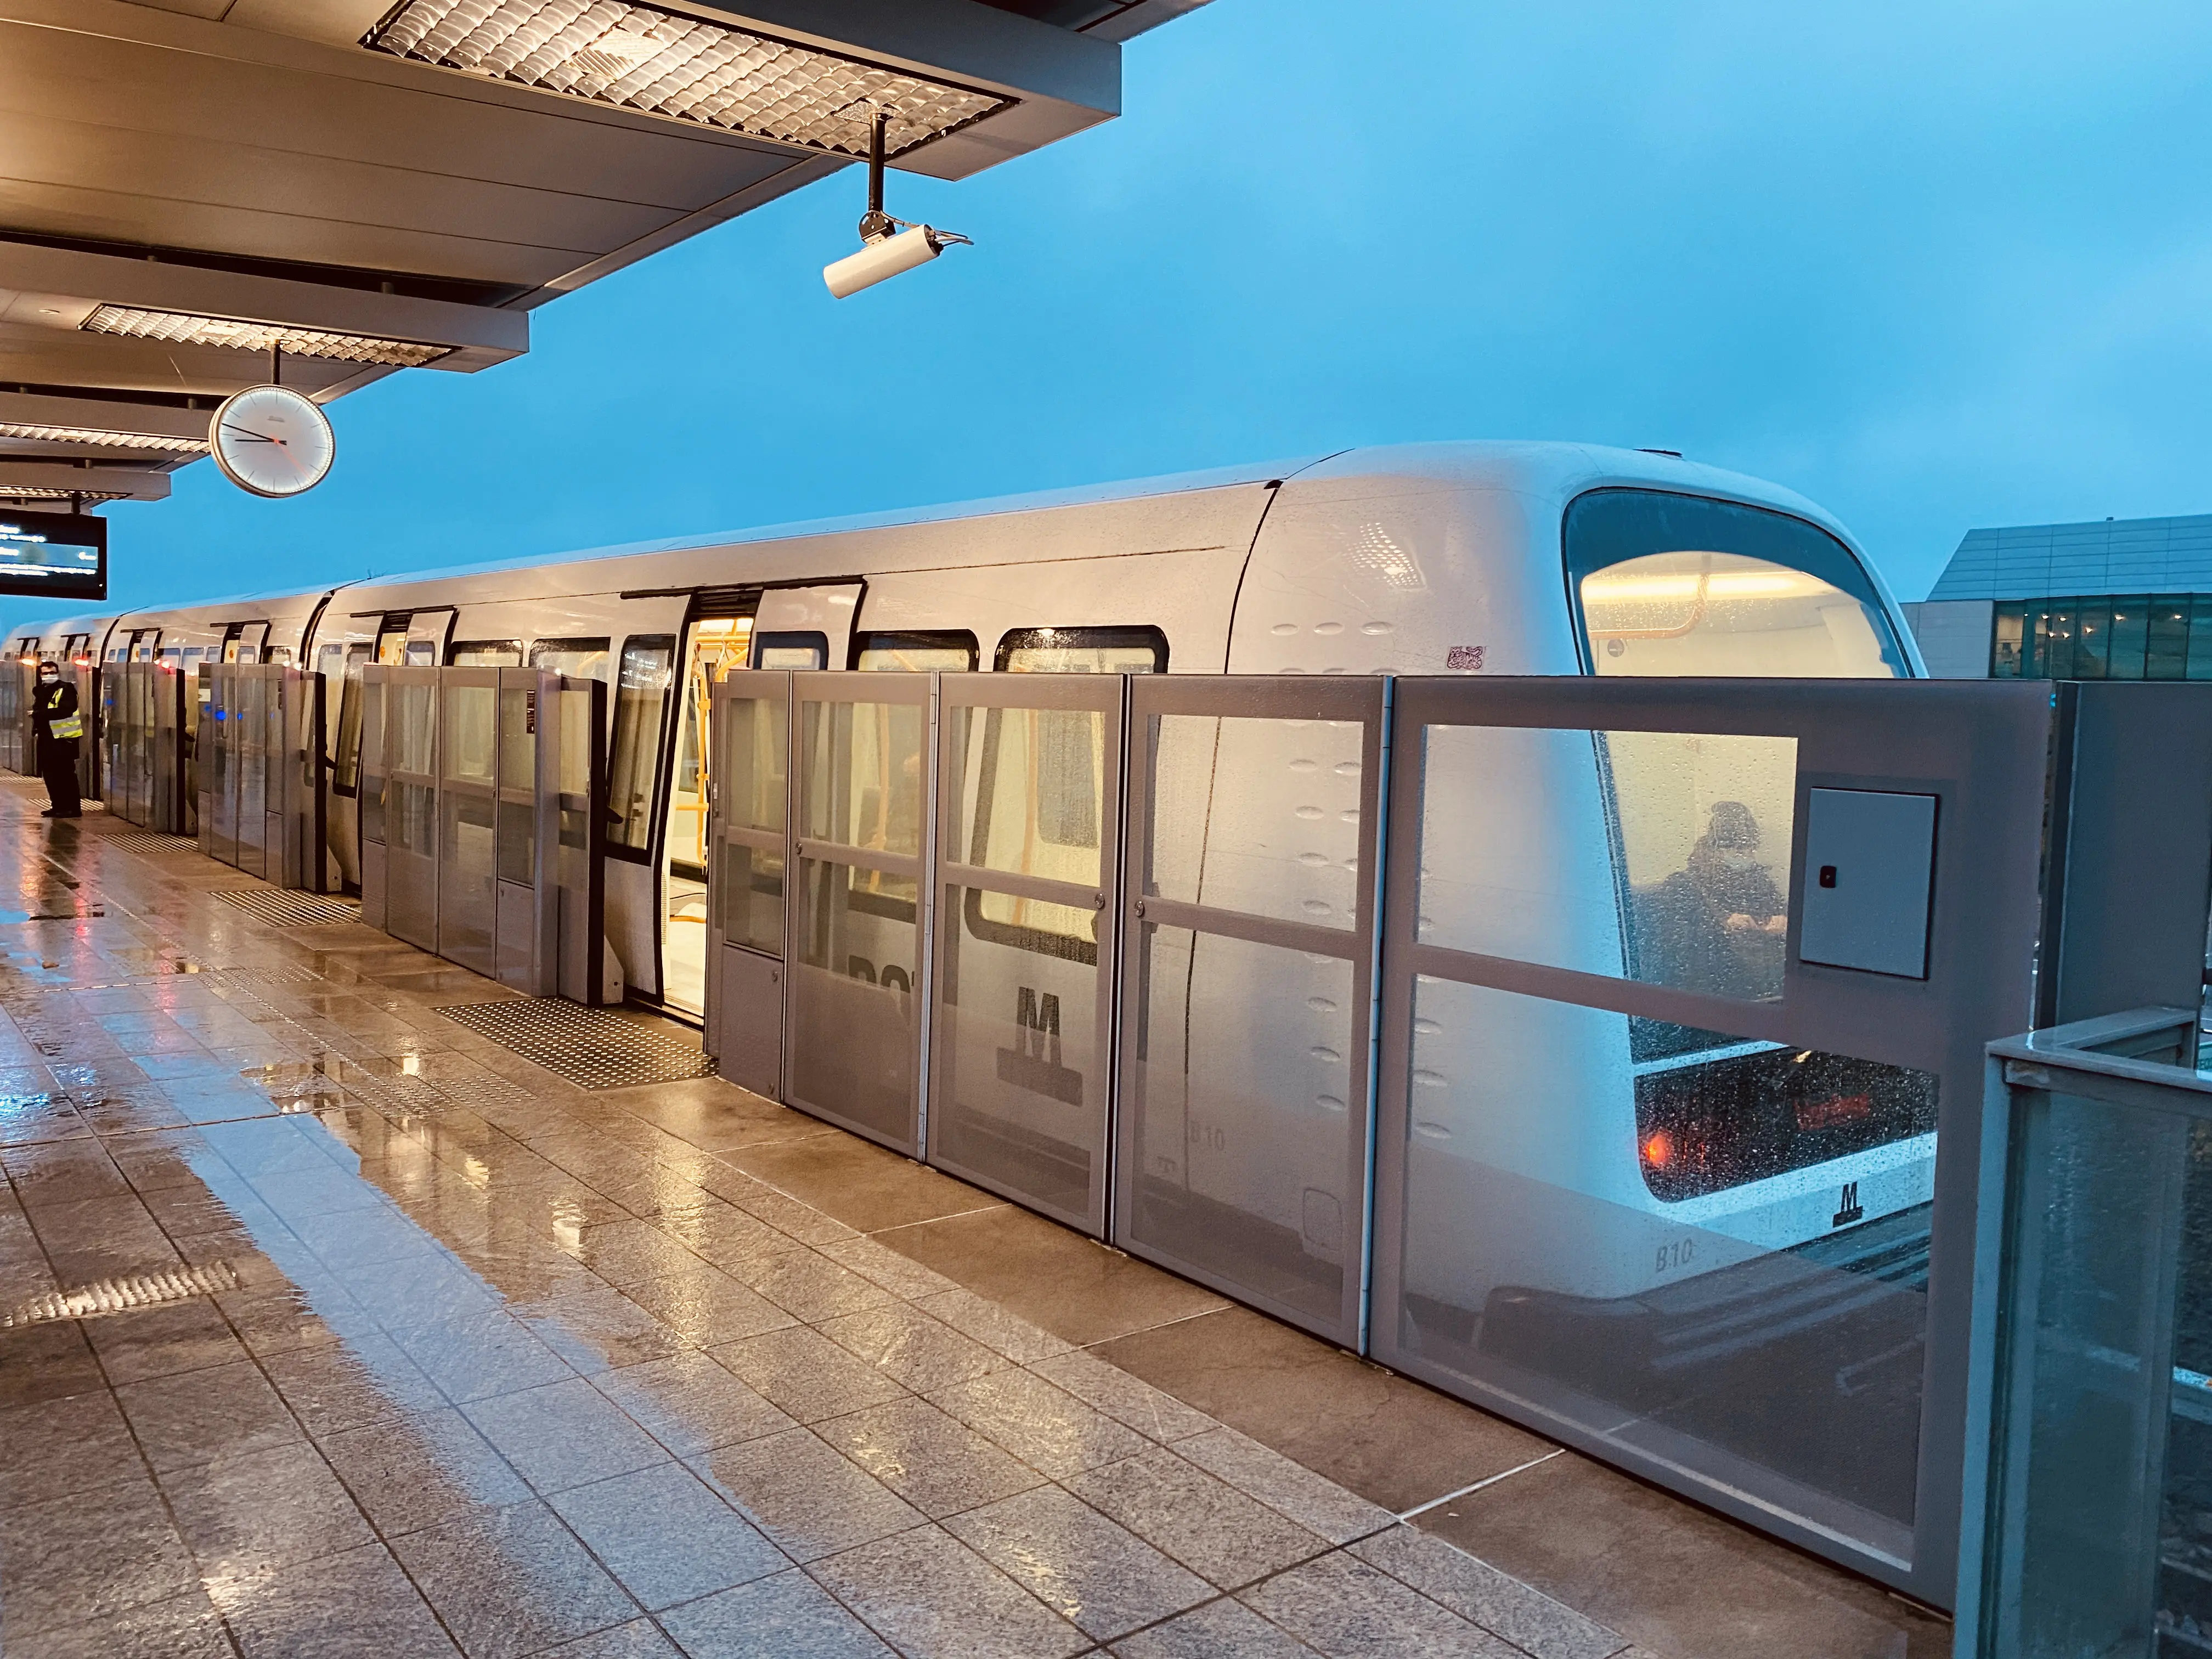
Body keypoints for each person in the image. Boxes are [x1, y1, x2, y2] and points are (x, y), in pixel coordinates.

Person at [31, 659, 82, 819]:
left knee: (65, 775)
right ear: (41, 675)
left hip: (64, 740)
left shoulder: (66, 689)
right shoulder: (41, 691)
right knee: (50, 775)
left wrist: (38, 715)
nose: (49, 676)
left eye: (52, 673)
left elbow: (67, 710)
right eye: (46, 673)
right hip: (47, 739)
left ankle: (72, 808)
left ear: (58, 673)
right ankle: (58, 806)